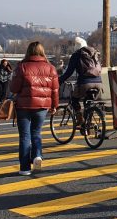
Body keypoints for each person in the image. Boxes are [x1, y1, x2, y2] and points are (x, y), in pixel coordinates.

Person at [9, 42, 59, 175]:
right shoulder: (51, 68)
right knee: (36, 133)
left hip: (23, 106)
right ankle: (37, 155)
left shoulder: (22, 67)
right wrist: (54, 106)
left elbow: (14, 88)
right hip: (42, 106)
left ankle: (25, 168)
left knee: (25, 136)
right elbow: (55, 90)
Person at [59, 37, 103, 123]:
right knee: (88, 103)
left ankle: (80, 120)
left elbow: (69, 72)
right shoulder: (94, 53)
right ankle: (88, 124)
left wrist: (60, 80)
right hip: (99, 83)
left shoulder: (76, 55)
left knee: (74, 100)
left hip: (85, 83)